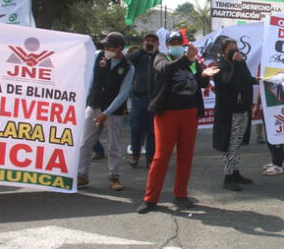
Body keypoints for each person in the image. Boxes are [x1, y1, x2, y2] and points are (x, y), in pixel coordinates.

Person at [137, 30, 217, 214]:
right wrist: (187, 59)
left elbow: (199, 83)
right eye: (173, 43)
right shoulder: (161, 57)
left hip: (189, 113)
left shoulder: (192, 61)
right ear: (167, 45)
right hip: (167, 114)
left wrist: (204, 75)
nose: (176, 45)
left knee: (185, 156)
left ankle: (180, 195)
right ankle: (150, 199)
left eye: (179, 42)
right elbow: (165, 70)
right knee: (161, 157)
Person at [78, 32, 135, 191]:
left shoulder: (128, 67)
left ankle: (114, 177)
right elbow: (89, 80)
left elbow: (123, 94)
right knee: (85, 143)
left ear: (119, 49)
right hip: (94, 105)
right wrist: (86, 102)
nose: (105, 49)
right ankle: (82, 175)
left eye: (109, 47)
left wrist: (107, 113)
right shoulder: (97, 56)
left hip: (114, 112)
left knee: (114, 146)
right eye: (105, 46)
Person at [212, 38, 259, 192]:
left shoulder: (239, 65)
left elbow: (245, 78)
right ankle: (228, 177)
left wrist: (258, 80)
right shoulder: (220, 68)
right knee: (231, 146)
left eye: (236, 49)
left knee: (237, 144)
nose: (235, 52)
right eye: (231, 50)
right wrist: (237, 63)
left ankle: (236, 172)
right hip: (229, 114)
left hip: (242, 110)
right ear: (223, 53)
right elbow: (230, 82)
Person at [126, 33, 159, 168]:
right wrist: (143, 50)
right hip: (138, 99)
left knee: (152, 131)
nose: (150, 43)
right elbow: (127, 60)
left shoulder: (160, 57)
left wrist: (154, 52)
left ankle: (150, 157)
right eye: (148, 40)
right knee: (136, 128)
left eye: (153, 41)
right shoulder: (139, 56)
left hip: (154, 100)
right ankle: (135, 153)